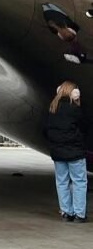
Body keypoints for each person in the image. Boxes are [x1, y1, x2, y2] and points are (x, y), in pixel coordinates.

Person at [44, 81, 88, 222]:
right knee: (79, 182)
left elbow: (46, 130)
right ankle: (79, 214)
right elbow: (84, 128)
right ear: (74, 94)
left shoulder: (53, 108)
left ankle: (66, 212)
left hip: (58, 152)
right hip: (75, 152)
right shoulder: (76, 110)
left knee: (62, 182)